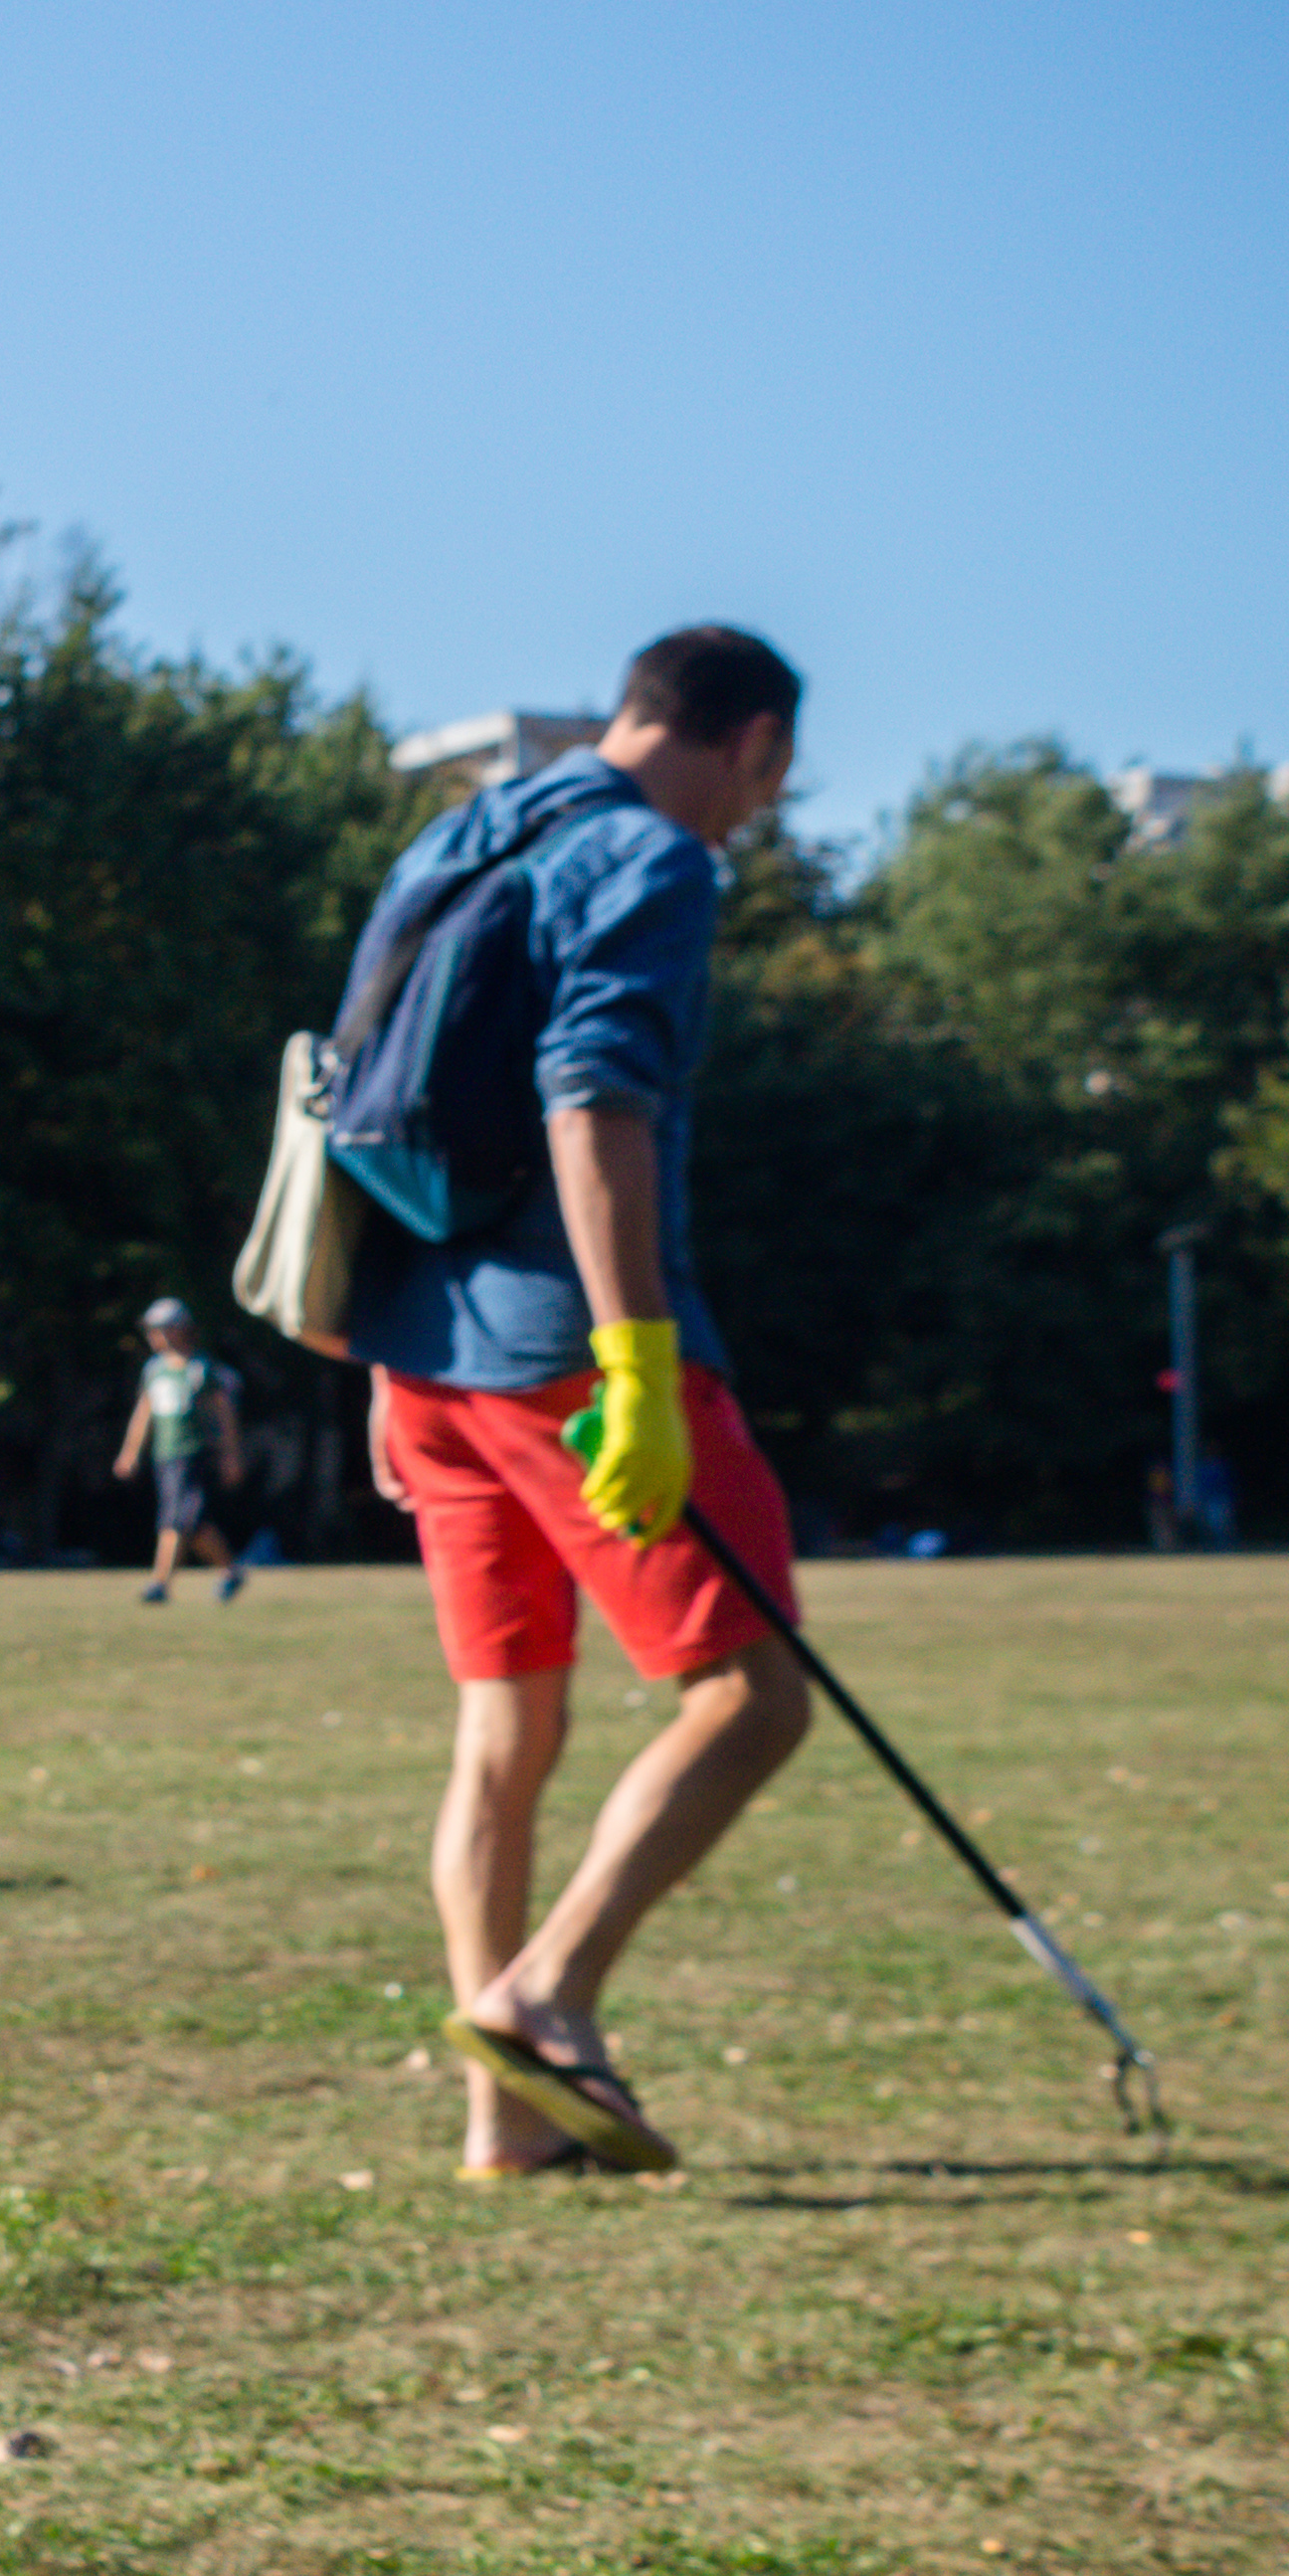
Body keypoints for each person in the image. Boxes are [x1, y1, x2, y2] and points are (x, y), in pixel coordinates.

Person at [340, 625, 817, 2182]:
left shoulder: (469, 827)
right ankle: (546, 1996)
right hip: (568, 1354)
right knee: (753, 1697)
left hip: (423, 1354)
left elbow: (356, 1086)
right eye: (772, 778)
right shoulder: (659, 864)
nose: (759, 810)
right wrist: (636, 1365)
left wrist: (372, 1346)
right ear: (751, 741)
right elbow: (592, 1097)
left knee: (506, 1728)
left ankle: (507, 2126)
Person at [110, 1297, 249, 1602]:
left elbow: (225, 1416)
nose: (153, 1336)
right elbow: (144, 1413)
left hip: (196, 1453)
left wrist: (231, 1456)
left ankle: (160, 1584)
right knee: (190, 1523)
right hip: (165, 1455)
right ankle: (231, 1571)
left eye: (159, 1330)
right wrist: (130, 1452)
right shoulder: (154, 1370)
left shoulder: (201, 1368)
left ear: (179, 1330)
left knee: (175, 1519)